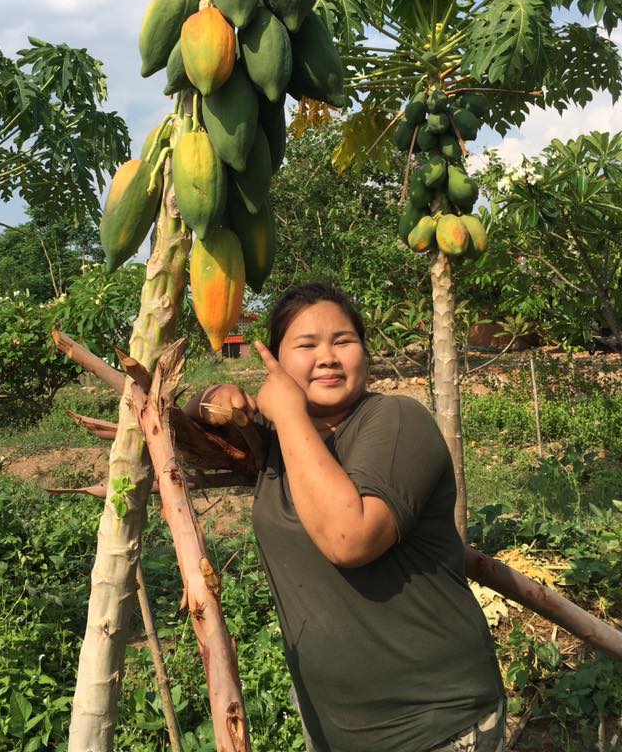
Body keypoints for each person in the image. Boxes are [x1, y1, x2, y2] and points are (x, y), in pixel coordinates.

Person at [184, 283, 506, 752]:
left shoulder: (396, 420)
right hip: (333, 729)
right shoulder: (277, 440)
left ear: (365, 353)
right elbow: (191, 420)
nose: (328, 357)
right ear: (275, 362)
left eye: (344, 341)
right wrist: (217, 394)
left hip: (435, 725)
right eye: (307, 345)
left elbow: (348, 538)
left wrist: (289, 413)